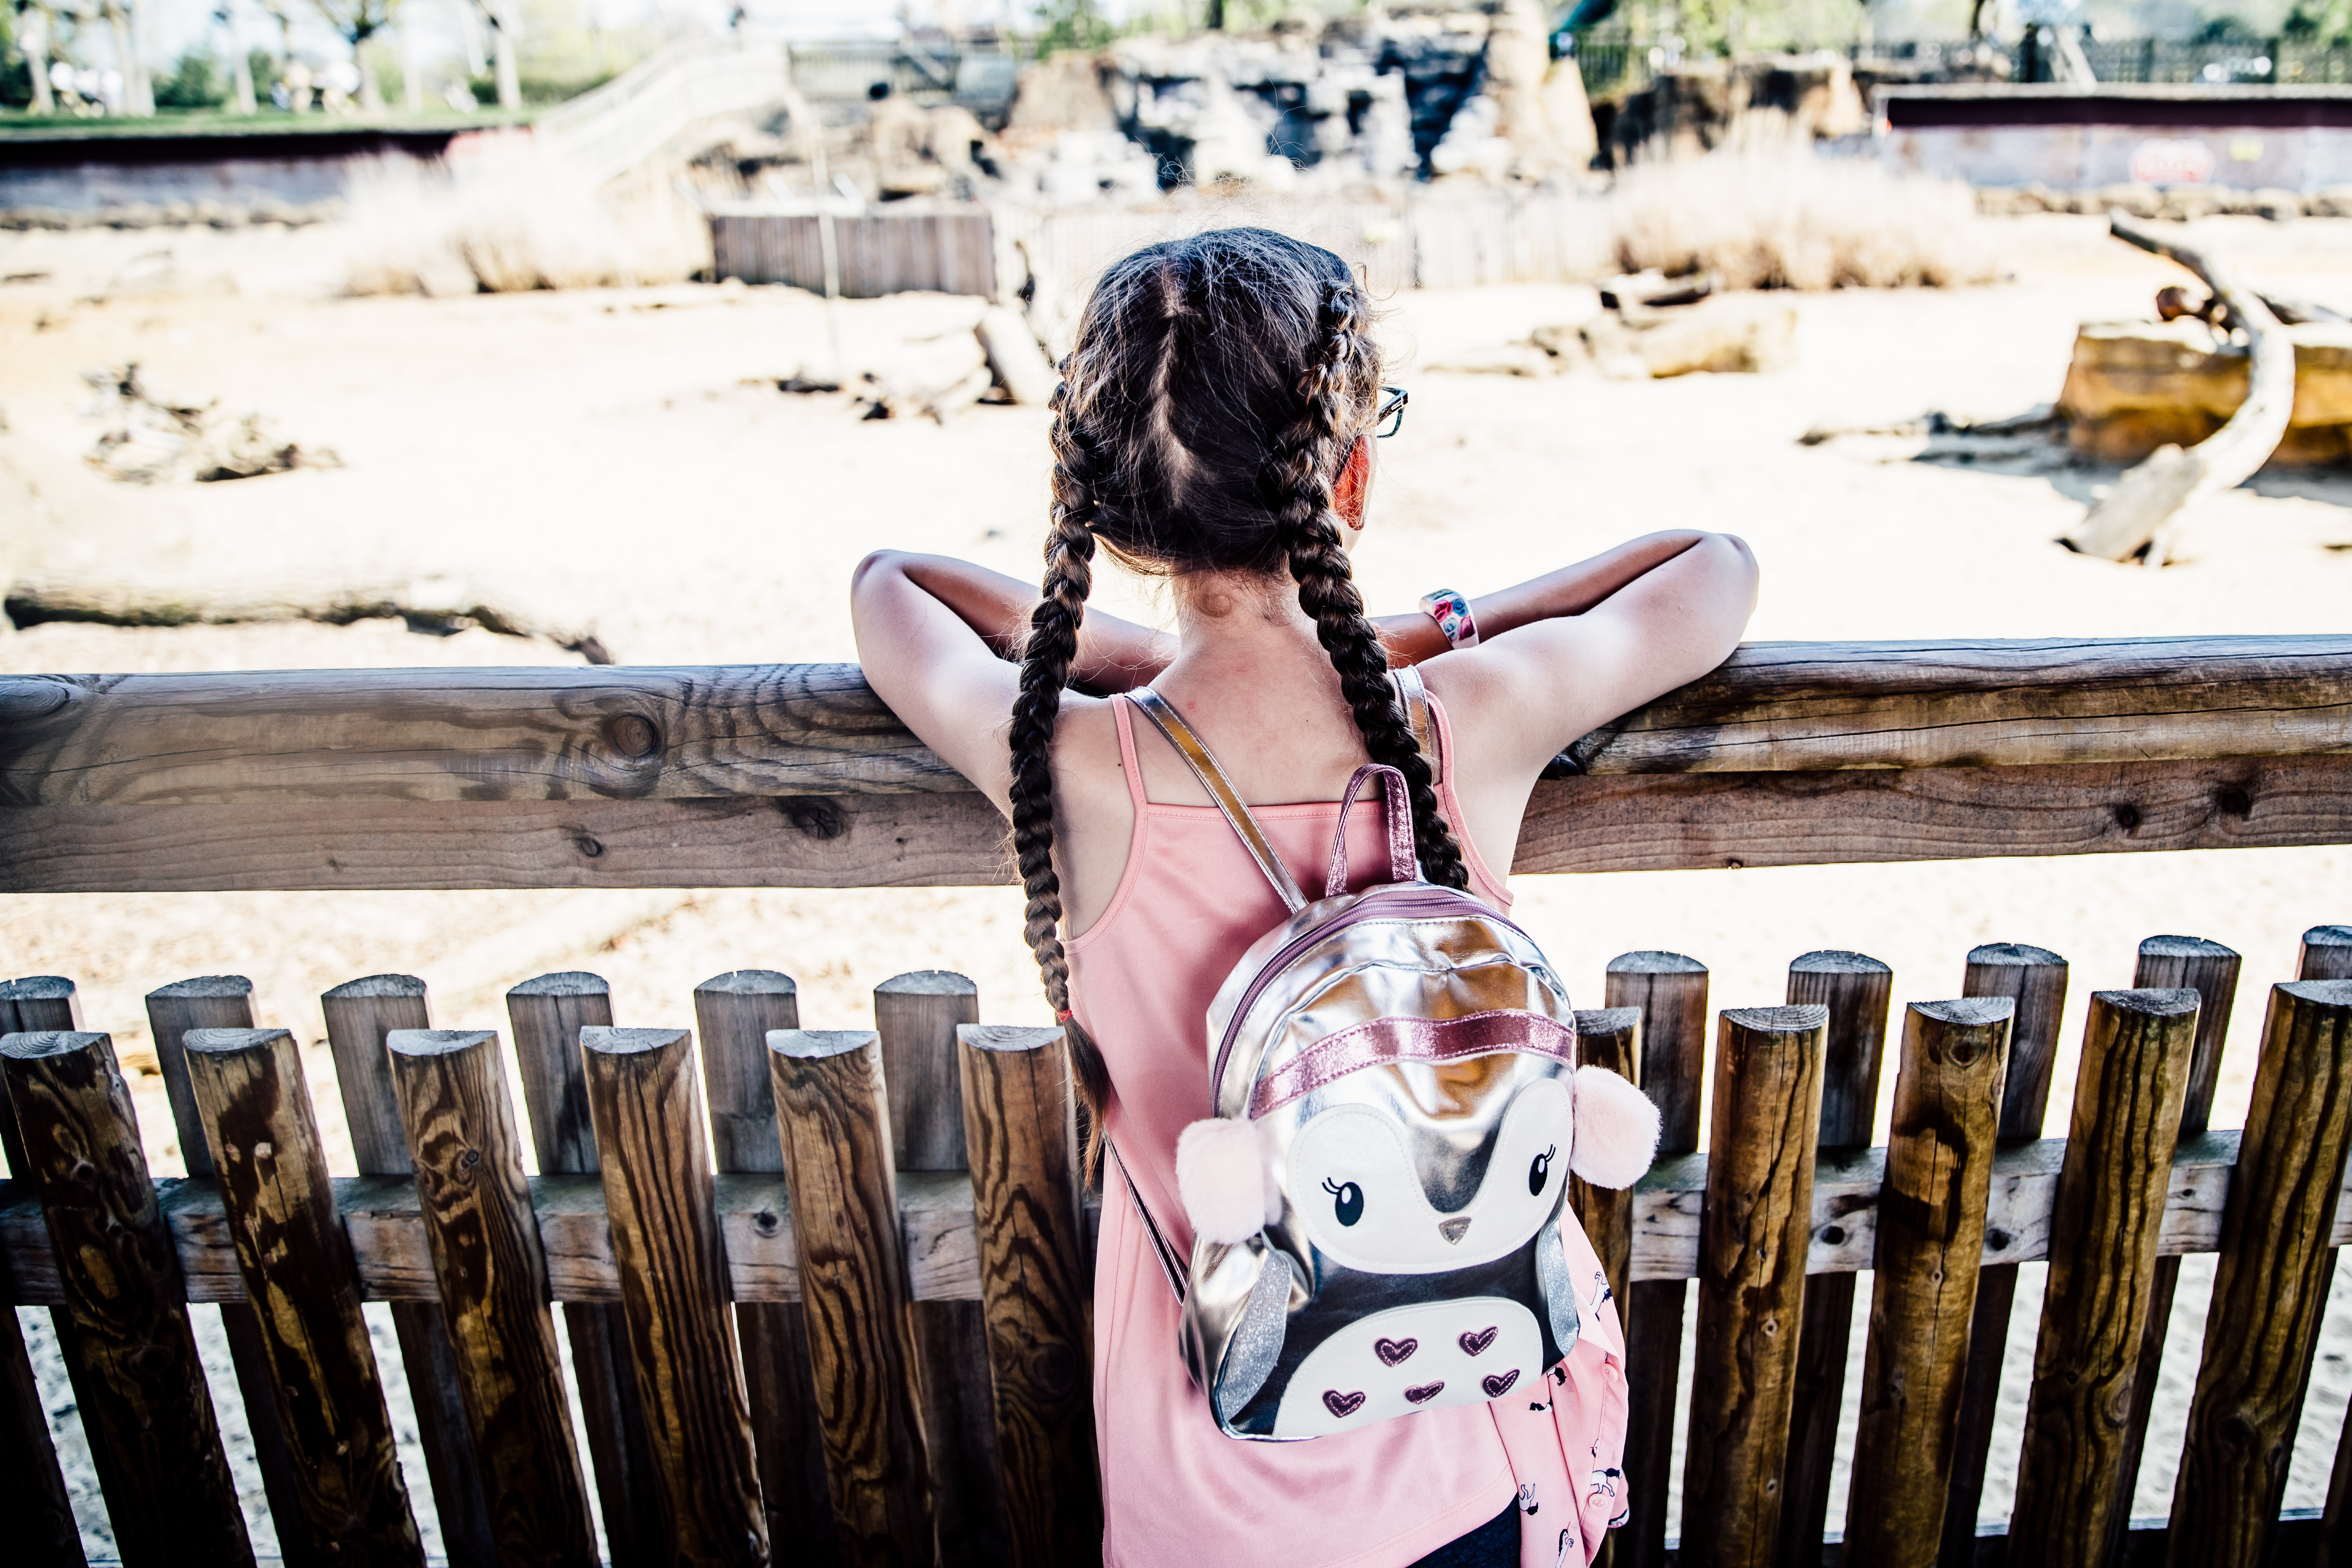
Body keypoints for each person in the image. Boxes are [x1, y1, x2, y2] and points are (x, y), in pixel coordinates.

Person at [851, 228, 1757, 1568]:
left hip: (1218, 1477)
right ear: (1353, 471)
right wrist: (1422, 627)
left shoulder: (1081, 762)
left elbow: (892, 591)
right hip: (1482, 1443)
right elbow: (1713, 566)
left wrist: (1137, 651)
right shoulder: (1465, 722)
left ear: (1101, 509)